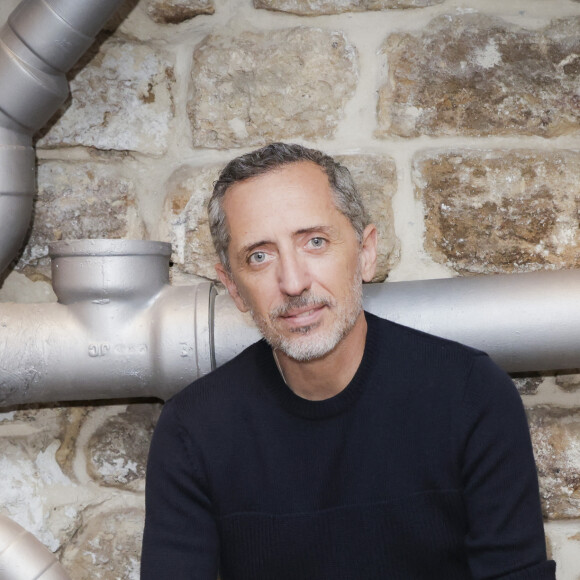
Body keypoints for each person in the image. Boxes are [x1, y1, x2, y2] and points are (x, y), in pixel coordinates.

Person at [141, 143, 555, 579]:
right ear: (234, 286)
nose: (294, 282)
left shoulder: (471, 396)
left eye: (315, 242)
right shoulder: (193, 431)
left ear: (365, 252)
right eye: (259, 256)